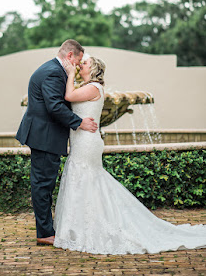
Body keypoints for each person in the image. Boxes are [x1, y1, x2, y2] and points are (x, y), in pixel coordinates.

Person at [53, 56, 206, 255]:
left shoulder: (94, 87)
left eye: (86, 63)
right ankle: (79, 226)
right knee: (83, 179)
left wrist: (71, 74)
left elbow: (69, 97)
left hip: (87, 143)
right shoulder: (89, 86)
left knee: (86, 177)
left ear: (93, 70)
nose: (82, 64)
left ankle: (89, 226)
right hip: (81, 140)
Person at [15, 39, 98, 246]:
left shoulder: (53, 69)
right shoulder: (53, 72)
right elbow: (54, 106)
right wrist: (79, 123)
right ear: (70, 56)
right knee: (43, 184)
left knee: (45, 183)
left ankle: (47, 229)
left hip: (45, 135)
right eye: (78, 62)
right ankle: (44, 233)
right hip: (44, 137)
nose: (78, 67)